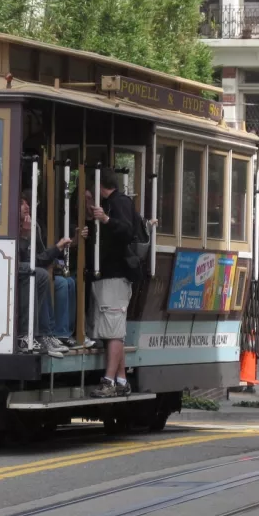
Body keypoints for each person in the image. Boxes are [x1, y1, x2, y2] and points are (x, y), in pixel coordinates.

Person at [85, 169, 155, 398]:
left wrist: (105, 219)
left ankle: (108, 382)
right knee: (112, 331)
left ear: (99, 186)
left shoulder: (120, 203)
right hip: (107, 276)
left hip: (116, 275)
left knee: (113, 332)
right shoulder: (113, 203)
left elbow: (125, 231)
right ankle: (122, 380)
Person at [18, 195, 67, 358]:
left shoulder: (33, 226)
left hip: (28, 270)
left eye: (27, 202)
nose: (26, 206)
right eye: (21, 203)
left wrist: (57, 249)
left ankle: (48, 334)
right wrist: (24, 236)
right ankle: (28, 335)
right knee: (38, 274)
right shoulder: (8, 225)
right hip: (11, 272)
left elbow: (39, 258)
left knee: (49, 277)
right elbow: (20, 260)